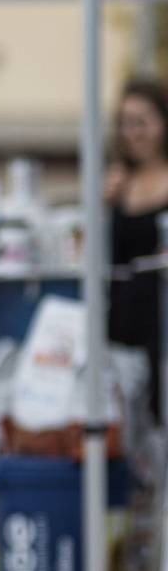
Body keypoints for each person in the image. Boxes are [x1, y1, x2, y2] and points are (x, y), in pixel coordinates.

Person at [105, 78, 168, 422]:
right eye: (126, 122)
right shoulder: (116, 183)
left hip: (161, 321)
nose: (133, 132)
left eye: (142, 122)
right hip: (121, 322)